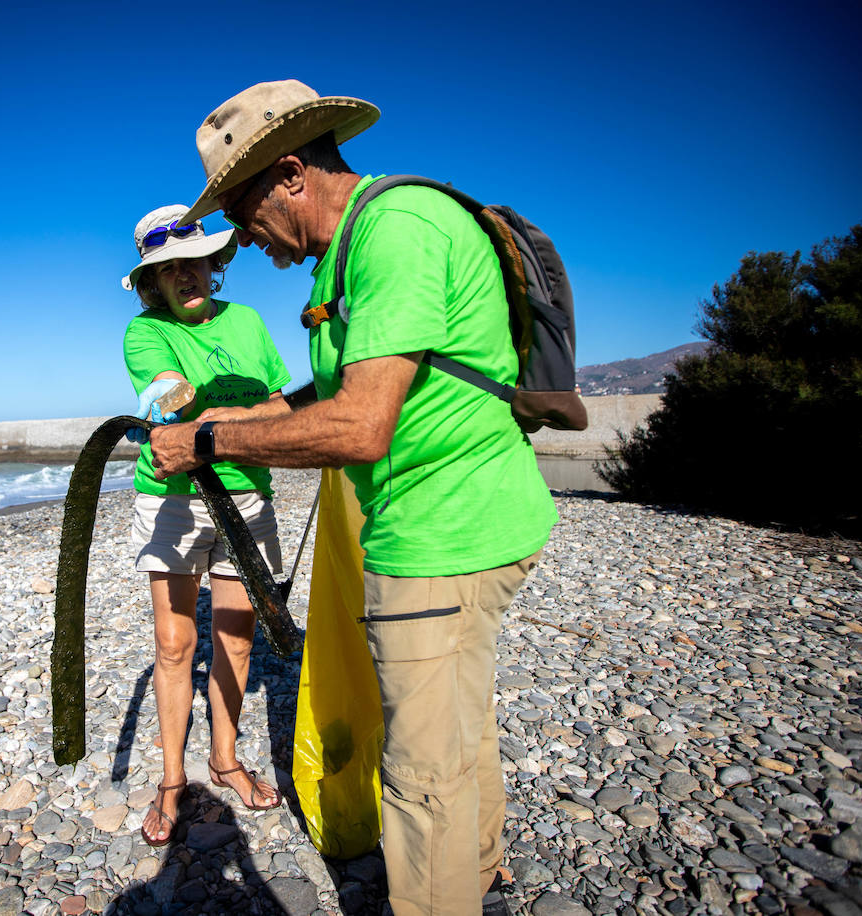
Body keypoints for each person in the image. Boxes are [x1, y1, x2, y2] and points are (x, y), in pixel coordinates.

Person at [148, 81, 558, 914]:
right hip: (481, 520)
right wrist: (240, 413)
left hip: (440, 537)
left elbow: (362, 425)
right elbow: (346, 383)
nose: (238, 237)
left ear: (291, 173)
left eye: (241, 207)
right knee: (462, 728)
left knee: (420, 777)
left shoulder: (394, 234)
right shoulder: (367, 237)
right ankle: (479, 874)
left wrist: (208, 441)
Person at [120, 204, 293, 847]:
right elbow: (168, 397)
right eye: (169, 269)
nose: (186, 275)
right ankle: (171, 780)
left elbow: (281, 400)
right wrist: (237, 412)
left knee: (238, 640)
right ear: (152, 283)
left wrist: (222, 417)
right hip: (172, 499)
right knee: (174, 645)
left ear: (213, 264)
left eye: (195, 261)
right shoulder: (144, 333)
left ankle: (224, 761)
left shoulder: (246, 321)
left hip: (249, 496)